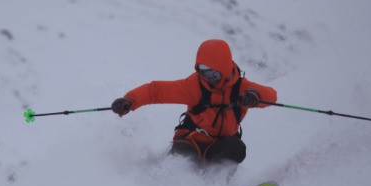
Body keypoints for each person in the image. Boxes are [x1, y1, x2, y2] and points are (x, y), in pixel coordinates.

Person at [111, 39, 277, 165]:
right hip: (191, 141)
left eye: (213, 73)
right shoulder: (194, 86)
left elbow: (271, 96)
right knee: (181, 159)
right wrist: (129, 100)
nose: (207, 78)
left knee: (236, 148)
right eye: (202, 72)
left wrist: (255, 95)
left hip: (220, 146)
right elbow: (156, 91)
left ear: (224, 68)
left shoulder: (242, 88)